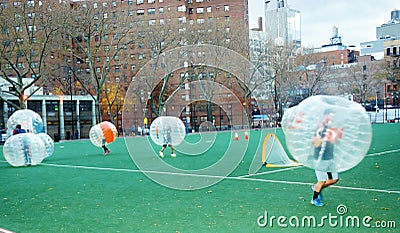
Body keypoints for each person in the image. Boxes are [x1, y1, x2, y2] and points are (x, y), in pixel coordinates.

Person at [310, 109, 343, 207]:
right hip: (320, 159)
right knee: (322, 181)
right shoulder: (318, 129)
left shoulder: (332, 128)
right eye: (330, 116)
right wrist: (325, 137)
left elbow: (336, 141)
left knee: (334, 179)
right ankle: (314, 199)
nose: (332, 118)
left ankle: (316, 188)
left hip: (330, 158)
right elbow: (316, 144)